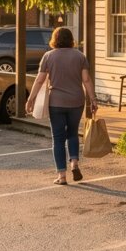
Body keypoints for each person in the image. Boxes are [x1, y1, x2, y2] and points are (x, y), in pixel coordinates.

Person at [25, 27, 97, 185]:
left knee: (58, 139)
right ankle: (75, 163)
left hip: (56, 103)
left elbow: (39, 80)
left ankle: (62, 176)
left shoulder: (48, 56)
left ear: (54, 39)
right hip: (76, 102)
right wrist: (93, 99)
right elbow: (86, 80)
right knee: (72, 133)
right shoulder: (80, 56)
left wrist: (31, 99)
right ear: (71, 39)